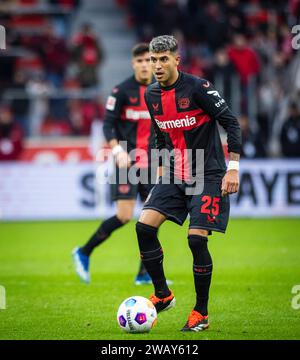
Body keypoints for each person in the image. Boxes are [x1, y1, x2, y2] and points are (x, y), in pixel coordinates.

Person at [135, 35, 241, 331]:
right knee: (143, 227)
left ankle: (201, 314)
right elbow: (158, 133)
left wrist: (233, 169)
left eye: (163, 59)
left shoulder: (198, 88)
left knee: (196, 239)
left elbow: (231, 122)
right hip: (174, 172)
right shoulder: (151, 95)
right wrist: (159, 167)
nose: (157, 65)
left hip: (208, 174)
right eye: (153, 60)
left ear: (176, 60)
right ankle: (162, 295)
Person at [72, 43, 159, 285]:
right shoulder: (121, 91)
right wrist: (117, 149)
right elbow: (108, 124)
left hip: (152, 162)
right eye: (139, 61)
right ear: (133, 64)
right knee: (124, 216)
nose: (144, 65)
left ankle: (144, 272)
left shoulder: (160, 91)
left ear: (154, 63)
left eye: (148, 61)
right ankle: (84, 251)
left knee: (154, 216)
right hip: (126, 161)